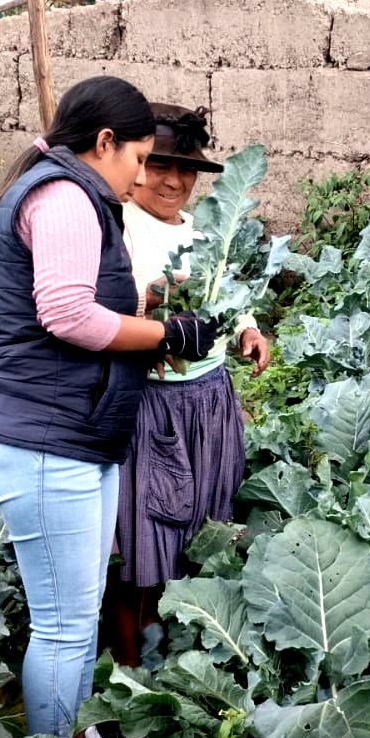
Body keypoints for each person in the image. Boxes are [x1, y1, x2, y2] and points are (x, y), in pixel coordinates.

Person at [0, 77, 218, 738]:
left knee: (76, 621)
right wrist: (164, 333)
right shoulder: (63, 198)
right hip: (47, 445)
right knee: (62, 626)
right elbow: (68, 316)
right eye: (139, 158)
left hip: (71, 439)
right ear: (104, 142)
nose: (142, 176)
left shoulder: (66, 192)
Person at [105, 104, 270, 667]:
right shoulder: (119, 226)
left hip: (211, 400)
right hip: (151, 406)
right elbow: (107, 307)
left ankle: (175, 650)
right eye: (159, 166)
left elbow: (227, 297)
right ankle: (130, 669)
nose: (173, 181)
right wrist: (156, 301)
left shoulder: (203, 234)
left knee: (202, 526)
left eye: (187, 170)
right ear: (137, 164)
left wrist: (248, 330)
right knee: (141, 538)